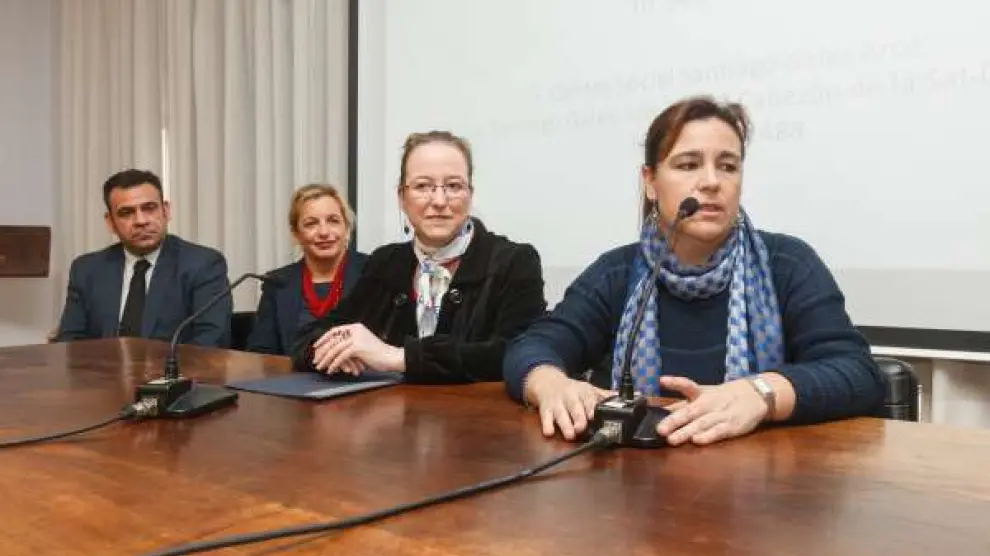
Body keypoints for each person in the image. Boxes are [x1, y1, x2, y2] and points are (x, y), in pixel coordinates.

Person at [503, 96, 884, 446]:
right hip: (632, 483)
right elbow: (533, 347)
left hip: (761, 481)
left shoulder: (788, 264)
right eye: (688, 165)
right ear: (650, 182)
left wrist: (762, 393)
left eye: (728, 166)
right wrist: (550, 384)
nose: (712, 182)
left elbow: (857, 373)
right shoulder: (617, 273)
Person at [291, 130, 547, 383]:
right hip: (390, 410)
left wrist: (397, 357)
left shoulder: (515, 261)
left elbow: (518, 354)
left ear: (470, 194)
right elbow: (310, 338)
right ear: (402, 198)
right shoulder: (385, 262)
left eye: (453, 186)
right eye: (423, 186)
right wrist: (335, 351)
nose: (439, 200)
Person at [56, 169, 232, 346]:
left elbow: (210, 343)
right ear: (110, 222)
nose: (141, 221)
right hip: (101, 364)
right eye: (126, 213)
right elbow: (69, 343)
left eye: (149, 208)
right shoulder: (87, 270)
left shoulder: (203, 265)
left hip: (175, 365)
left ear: (166, 211)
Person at [246, 183, 368, 355]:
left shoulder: (373, 272)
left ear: (347, 228)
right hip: (292, 373)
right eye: (311, 224)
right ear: (296, 234)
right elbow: (260, 352)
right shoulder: (278, 282)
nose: (324, 232)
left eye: (333, 221)